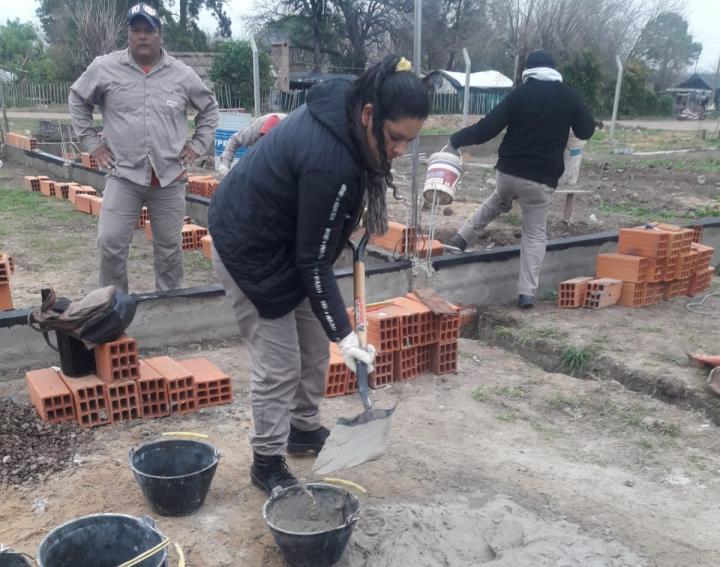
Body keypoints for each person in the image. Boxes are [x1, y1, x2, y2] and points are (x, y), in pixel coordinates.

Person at [209, 55, 429, 494]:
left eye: (409, 140)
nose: (400, 151)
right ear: (369, 115)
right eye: (394, 138)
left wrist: (336, 331)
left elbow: (314, 252)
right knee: (280, 364)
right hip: (249, 249)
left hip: (288, 243)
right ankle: (266, 460)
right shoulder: (332, 161)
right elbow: (312, 261)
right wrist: (347, 335)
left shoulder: (351, 109)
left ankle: (303, 429)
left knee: (312, 346)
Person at [69, 2, 219, 293]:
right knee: (110, 242)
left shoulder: (182, 74)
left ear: (159, 34)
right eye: (136, 30)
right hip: (124, 174)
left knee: (169, 250)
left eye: (148, 30)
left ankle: (169, 308)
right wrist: (92, 144)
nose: (142, 36)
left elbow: (209, 108)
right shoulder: (105, 68)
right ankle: (113, 307)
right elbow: (77, 98)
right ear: (128, 34)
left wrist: (198, 145)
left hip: (169, 178)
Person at [447, 49, 595, 309]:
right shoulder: (568, 96)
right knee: (535, 235)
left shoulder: (519, 94)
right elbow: (586, 130)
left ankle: (461, 238)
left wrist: (456, 140)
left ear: (528, 71)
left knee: (497, 202)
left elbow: (486, 128)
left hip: (508, 173)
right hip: (540, 180)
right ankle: (526, 293)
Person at [216, 113, 287, 177]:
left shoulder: (289, 135)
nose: (265, 141)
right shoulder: (255, 129)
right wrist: (225, 164)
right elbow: (235, 139)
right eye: (263, 137)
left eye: (267, 139)